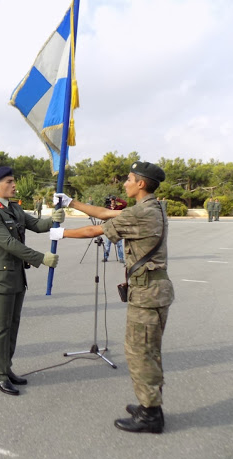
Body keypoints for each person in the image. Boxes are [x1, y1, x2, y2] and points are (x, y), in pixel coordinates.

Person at [50, 161, 174, 433]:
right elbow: (107, 213)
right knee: (147, 350)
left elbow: (95, 229)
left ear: (141, 183)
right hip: (152, 289)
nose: (125, 183)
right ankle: (148, 404)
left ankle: (151, 415)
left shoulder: (140, 214)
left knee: (140, 352)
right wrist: (73, 202)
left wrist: (62, 233)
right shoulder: (150, 208)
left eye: (129, 178)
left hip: (148, 293)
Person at [0, 167, 62, 396]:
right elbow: (9, 243)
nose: (14, 185)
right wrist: (41, 258)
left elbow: (34, 225)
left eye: (13, 181)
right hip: (0, 277)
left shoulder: (13, 207)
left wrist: (52, 219)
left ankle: (6, 368)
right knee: (1, 328)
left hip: (16, 275)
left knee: (13, 325)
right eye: (10, 181)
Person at [103, 196, 127, 263]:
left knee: (119, 244)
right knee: (107, 244)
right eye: (111, 200)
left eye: (114, 201)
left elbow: (125, 203)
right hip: (109, 228)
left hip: (117, 228)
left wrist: (117, 198)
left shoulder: (118, 207)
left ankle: (121, 258)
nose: (112, 202)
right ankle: (105, 257)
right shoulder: (107, 208)